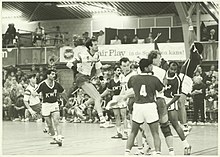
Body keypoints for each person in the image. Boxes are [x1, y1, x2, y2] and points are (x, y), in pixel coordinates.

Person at [123, 59, 163, 155]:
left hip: (138, 106)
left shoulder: (133, 78)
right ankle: (157, 153)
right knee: (155, 133)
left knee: (133, 132)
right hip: (150, 105)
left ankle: (127, 153)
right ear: (146, 68)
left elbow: (129, 88)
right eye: (150, 66)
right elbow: (160, 90)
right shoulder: (154, 78)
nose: (152, 67)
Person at [66, 38, 106, 127]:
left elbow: (98, 69)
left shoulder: (96, 55)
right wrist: (76, 70)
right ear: (90, 46)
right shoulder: (82, 55)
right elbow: (68, 64)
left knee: (95, 97)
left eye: (97, 44)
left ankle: (80, 107)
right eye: (95, 44)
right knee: (98, 98)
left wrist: (102, 79)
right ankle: (102, 120)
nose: (97, 46)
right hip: (81, 77)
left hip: (88, 78)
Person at [148, 50, 174, 155]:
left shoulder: (144, 70)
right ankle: (171, 150)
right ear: (153, 59)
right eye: (159, 58)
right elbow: (163, 86)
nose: (160, 60)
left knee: (150, 128)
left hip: (150, 101)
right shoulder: (162, 71)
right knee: (165, 126)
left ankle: (153, 150)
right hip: (160, 100)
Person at [164, 61, 192, 155]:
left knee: (175, 124)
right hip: (161, 100)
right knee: (155, 123)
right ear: (168, 67)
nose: (173, 71)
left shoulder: (177, 80)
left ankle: (186, 144)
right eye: (171, 69)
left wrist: (168, 105)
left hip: (171, 101)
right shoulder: (162, 75)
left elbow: (177, 96)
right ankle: (148, 145)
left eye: (175, 70)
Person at [35, 69, 67, 146]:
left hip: (54, 104)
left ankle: (59, 137)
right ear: (48, 75)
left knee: (56, 121)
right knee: (49, 124)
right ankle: (54, 138)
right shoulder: (42, 84)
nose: (54, 75)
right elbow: (34, 92)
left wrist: (66, 100)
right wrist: (36, 96)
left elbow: (63, 91)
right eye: (52, 74)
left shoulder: (56, 84)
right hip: (45, 105)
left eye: (54, 74)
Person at [101, 66, 128, 139]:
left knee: (124, 115)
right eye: (117, 70)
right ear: (114, 71)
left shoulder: (123, 79)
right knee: (116, 115)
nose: (119, 71)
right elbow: (108, 90)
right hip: (115, 98)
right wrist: (101, 96)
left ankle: (126, 133)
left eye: (120, 70)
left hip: (122, 97)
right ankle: (118, 132)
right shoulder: (112, 81)